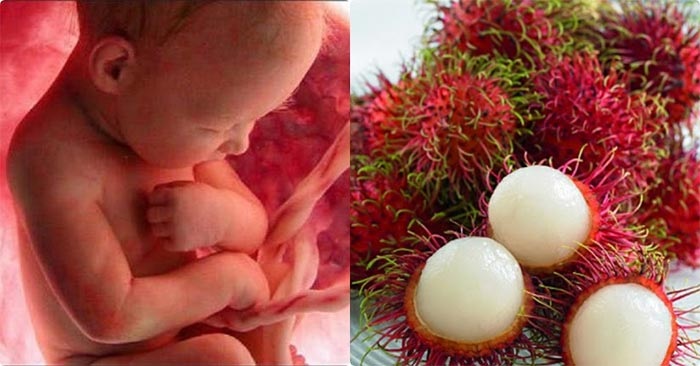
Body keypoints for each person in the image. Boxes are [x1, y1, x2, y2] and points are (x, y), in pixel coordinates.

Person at [6, 1, 332, 364]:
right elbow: (113, 318)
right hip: (100, 359)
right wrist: (226, 279)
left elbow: (254, 230)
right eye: (219, 125)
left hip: (182, 326)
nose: (240, 143)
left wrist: (219, 217)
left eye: (254, 119)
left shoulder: (162, 117)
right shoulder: (49, 161)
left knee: (281, 275)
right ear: (116, 68)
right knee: (222, 357)